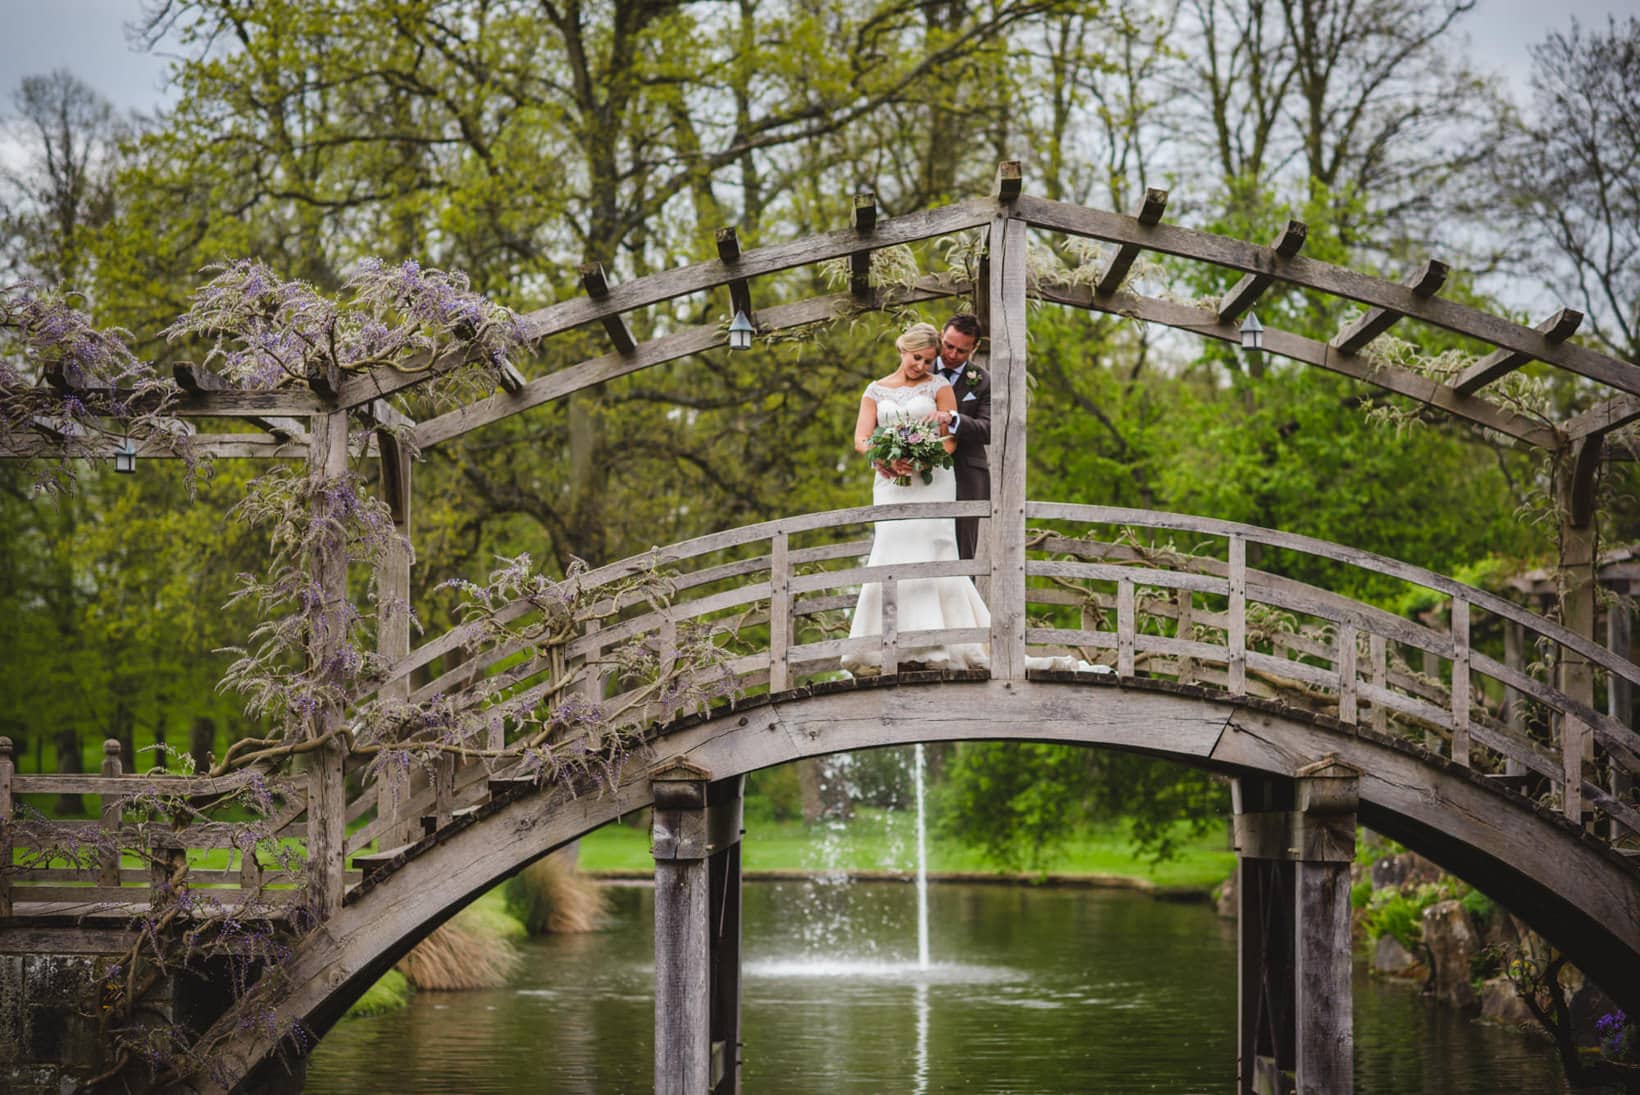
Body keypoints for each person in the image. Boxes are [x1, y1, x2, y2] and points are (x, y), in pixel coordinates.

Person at [841, 322, 991, 674]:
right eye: (917, 358)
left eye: (928, 360)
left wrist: (922, 455)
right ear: (902, 350)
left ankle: (942, 644)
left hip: (933, 478)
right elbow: (861, 439)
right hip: (889, 482)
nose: (922, 366)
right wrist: (882, 456)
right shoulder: (875, 390)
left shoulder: (940, 387)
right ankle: (880, 644)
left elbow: (950, 440)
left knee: (935, 547)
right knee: (891, 549)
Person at [931, 314, 989, 561]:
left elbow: (988, 429)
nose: (952, 355)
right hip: (923, 473)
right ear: (941, 335)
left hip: (965, 476)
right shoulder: (919, 367)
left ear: (974, 348)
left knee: (963, 551)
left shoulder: (983, 380)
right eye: (948, 345)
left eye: (962, 351)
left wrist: (953, 419)